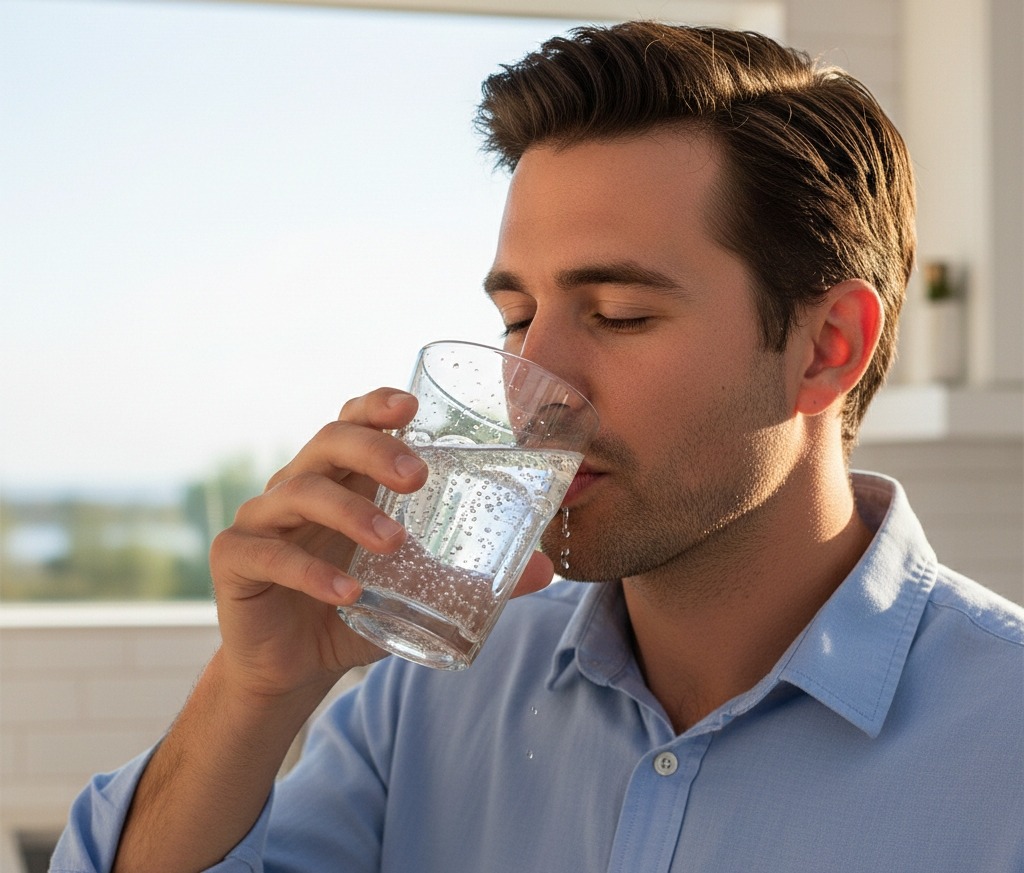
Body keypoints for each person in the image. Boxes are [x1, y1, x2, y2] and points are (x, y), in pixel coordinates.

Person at [52, 21, 1023, 873]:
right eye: (517, 317)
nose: (531, 387)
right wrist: (256, 690)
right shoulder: (423, 702)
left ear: (826, 349)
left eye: (618, 313)